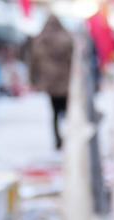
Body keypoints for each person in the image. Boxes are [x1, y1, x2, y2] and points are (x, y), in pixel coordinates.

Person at [30, 15, 74, 150]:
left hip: (51, 84)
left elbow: (34, 62)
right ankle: (70, 136)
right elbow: (73, 60)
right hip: (66, 82)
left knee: (54, 113)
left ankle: (57, 140)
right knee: (68, 112)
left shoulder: (41, 40)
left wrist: (34, 79)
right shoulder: (67, 39)